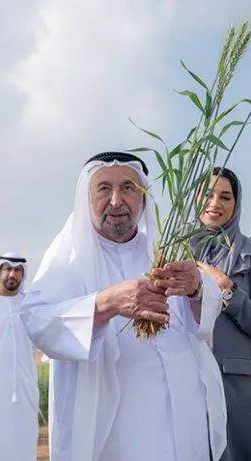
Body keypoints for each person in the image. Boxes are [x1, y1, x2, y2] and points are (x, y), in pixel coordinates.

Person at [22, 152, 227, 461]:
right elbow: (37, 321)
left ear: (143, 198)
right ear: (87, 198)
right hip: (114, 429)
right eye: (104, 188)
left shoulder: (164, 248)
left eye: (129, 188)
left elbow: (204, 320)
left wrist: (197, 288)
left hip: (180, 422)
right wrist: (107, 303)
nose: (116, 200)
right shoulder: (69, 256)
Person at [191, 166, 251, 461]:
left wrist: (226, 289)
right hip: (188, 386)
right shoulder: (175, 252)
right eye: (208, 193)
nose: (215, 203)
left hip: (239, 389)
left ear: (236, 204)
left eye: (225, 196)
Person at [0, 253, 39, 461]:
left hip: (24, 389)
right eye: (8, 269)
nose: (13, 274)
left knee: (22, 441)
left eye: (18, 270)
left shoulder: (30, 305)